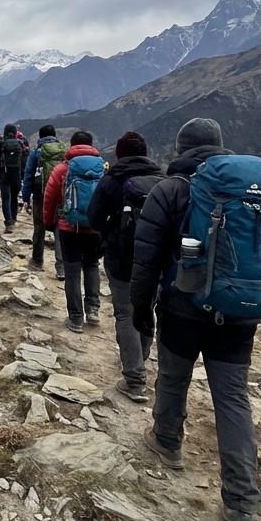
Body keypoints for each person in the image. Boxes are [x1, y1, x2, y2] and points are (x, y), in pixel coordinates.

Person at [130, 118, 261, 521]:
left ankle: (167, 442)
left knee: (173, 377)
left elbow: (146, 259)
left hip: (183, 307)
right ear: (221, 145)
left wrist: (141, 310)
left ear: (181, 148)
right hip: (240, 312)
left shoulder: (169, 191)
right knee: (232, 399)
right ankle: (243, 502)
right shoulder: (251, 191)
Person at [87, 131, 163, 401]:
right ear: (146, 152)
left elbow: (93, 215)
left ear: (118, 154)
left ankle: (135, 379)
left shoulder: (112, 179)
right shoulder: (162, 180)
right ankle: (141, 358)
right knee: (147, 308)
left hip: (121, 257)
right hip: (156, 259)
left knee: (124, 313)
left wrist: (111, 234)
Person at [43, 130, 104, 332]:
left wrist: (48, 223)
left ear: (71, 146)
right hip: (95, 228)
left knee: (72, 273)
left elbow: (50, 197)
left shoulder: (63, 169)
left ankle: (76, 318)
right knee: (92, 266)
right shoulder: (102, 168)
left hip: (68, 227)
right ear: (91, 145)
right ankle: (93, 309)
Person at [22, 125, 67, 280]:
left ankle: (37, 261)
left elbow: (28, 176)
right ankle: (61, 268)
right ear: (55, 136)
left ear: (40, 137)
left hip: (41, 194)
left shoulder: (36, 153)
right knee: (58, 229)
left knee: (39, 227)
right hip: (61, 196)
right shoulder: (64, 151)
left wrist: (26, 198)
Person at [0, 124, 25, 232]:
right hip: (16, 172)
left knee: (5, 198)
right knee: (14, 196)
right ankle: (13, 218)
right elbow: (23, 159)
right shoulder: (20, 143)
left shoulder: (2, 143)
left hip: (4, 172)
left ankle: (8, 223)